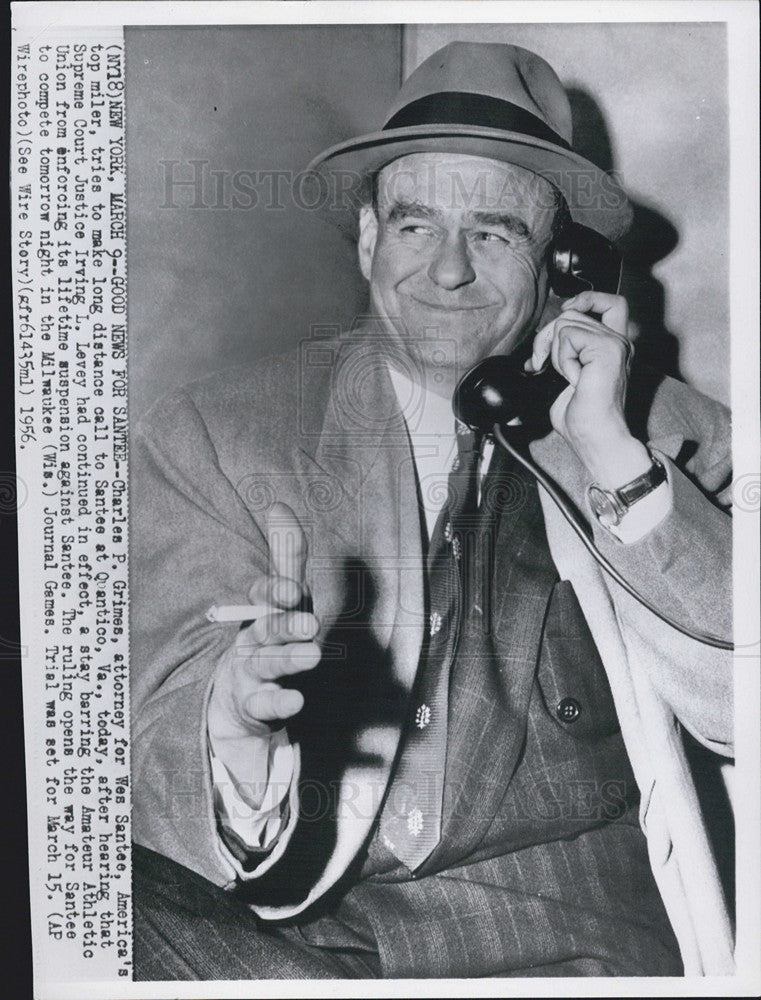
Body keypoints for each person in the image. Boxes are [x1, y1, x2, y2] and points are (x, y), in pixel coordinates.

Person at [131, 42, 733, 979]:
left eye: (494, 233)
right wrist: (231, 734)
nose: (447, 271)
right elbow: (139, 747)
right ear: (370, 240)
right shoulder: (213, 433)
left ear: (560, 268)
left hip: (564, 954)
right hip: (279, 947)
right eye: (415, 226)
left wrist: (613, 455)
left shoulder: (663, 432)